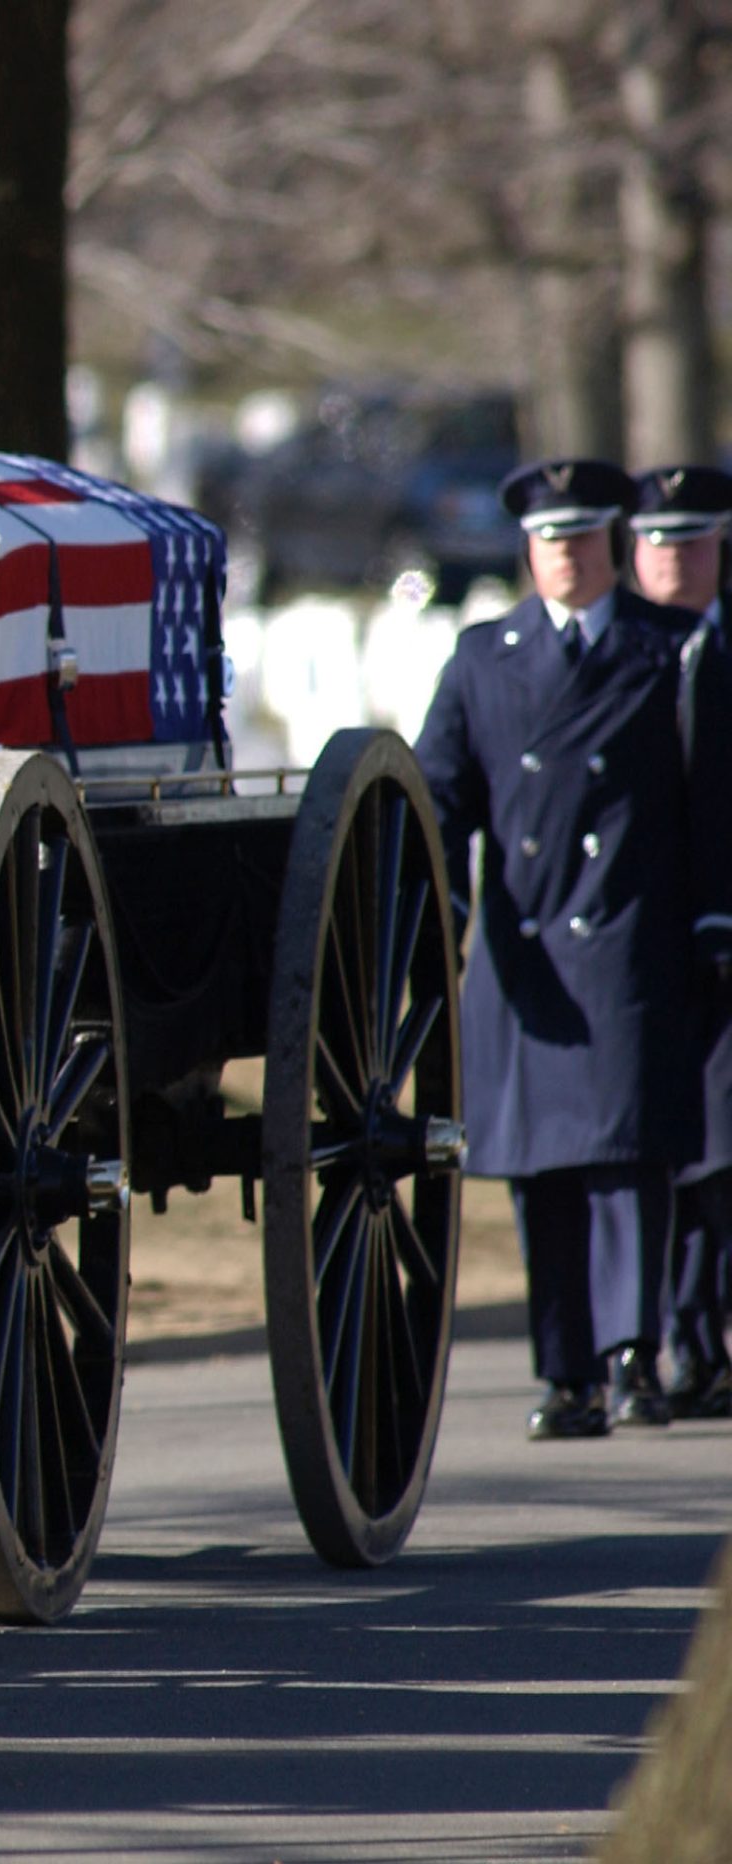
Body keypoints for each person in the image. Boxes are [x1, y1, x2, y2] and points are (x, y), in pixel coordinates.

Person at [413, 458, 700, 1437]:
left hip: (626, 933)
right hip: (526, 946)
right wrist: (436, 909)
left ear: (612, 541)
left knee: (627, 1157)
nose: (566, 555)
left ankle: (632, 1355)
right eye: (548, 539)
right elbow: (441, 796)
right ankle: (566, 1371)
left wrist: (710, 920)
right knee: (545, 1173)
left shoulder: (672, 649)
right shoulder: (482, 658)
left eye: (581, 536)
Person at [632, 462, 732, 1418]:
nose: (675, 561)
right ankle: (678, 1338)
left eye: (693, 542)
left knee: (721, 1155)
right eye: (657, 543)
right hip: (645, 939)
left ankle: (704, 1340)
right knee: (673, 1153)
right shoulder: (620, 651)